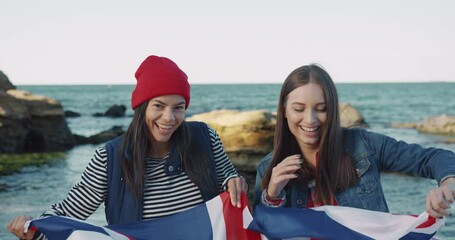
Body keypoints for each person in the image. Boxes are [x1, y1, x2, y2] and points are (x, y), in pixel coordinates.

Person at [8, 55, 248, 239]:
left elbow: (228, 178)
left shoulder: (205, 137)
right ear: (141, 107)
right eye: (159, 106)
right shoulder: (110, 159)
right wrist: (35, 228)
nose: (169, 117)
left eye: (179, 107)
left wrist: (234, 182)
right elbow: (69, 211)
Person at [253, 64, 455, 218]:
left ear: (332, 109)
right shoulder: (268, 167)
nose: (310, 119)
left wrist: (448, 185)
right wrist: (271, 195)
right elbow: (261, 228)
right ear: (284, 111)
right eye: (299, 109)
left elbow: (433, 158)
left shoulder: (364, 145)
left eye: (321, 109)